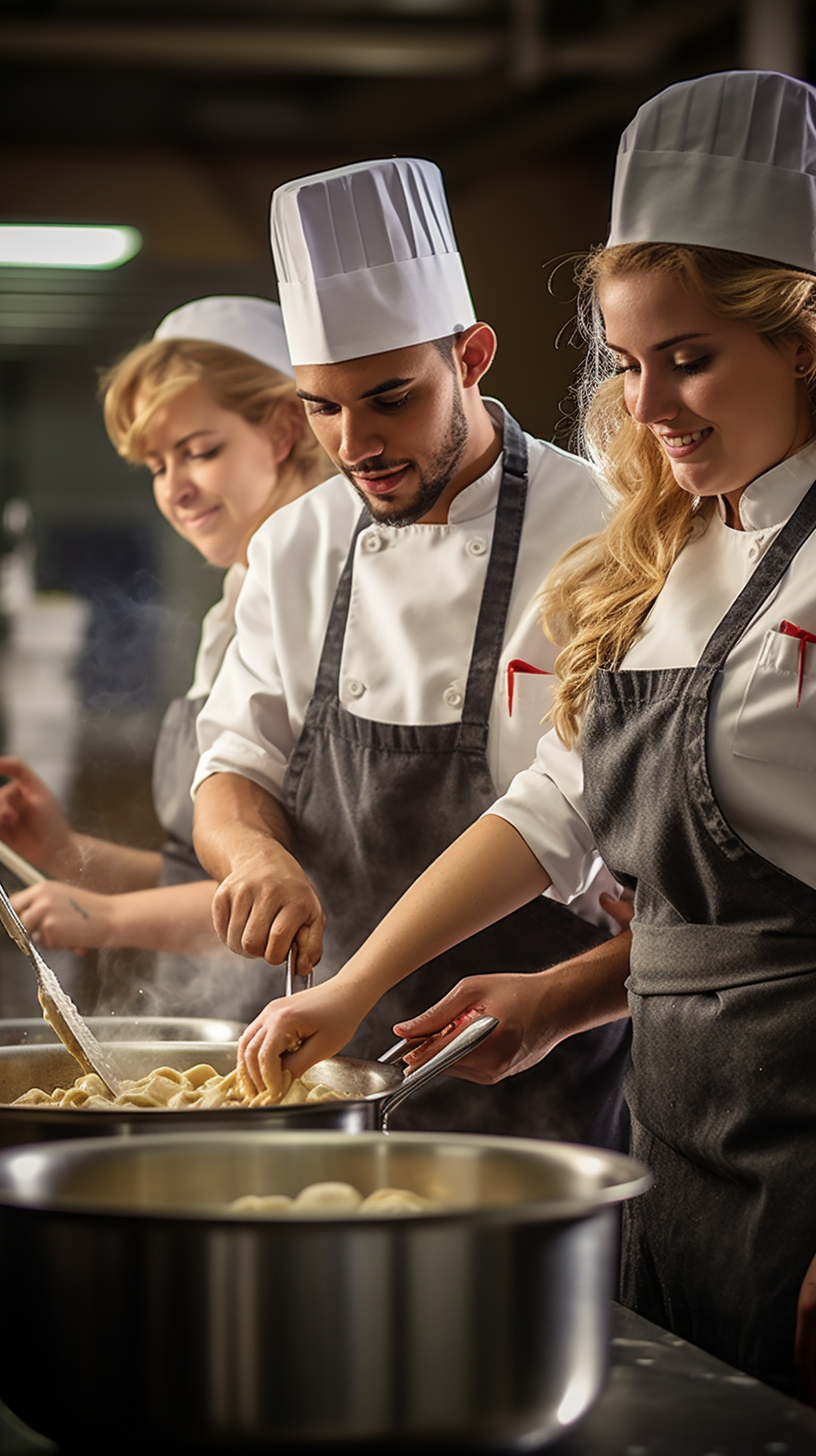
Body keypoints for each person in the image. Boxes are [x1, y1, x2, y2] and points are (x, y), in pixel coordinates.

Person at [231, 73, 816, 1398]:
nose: (653, 407)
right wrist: (507, 993)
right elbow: (558, 807)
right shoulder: (675, 548)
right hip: (677, 1148)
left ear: (805, 339)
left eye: (693, 356)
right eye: (628, 362)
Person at [191, 156, 632, 1142]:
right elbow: (231, 765)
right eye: (322, 407)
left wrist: (357, 983)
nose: (356, 442)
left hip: (536, 1078)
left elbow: (560, 811)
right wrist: (251, 853)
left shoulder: (606, 530)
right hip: (318, 1064)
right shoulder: (297, 543)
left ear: (472, 355)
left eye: (390, 398)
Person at [0, 295, 330, 1019]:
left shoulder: (332, 604)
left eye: (201, 451)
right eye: (156, 464)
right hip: (235, 1019)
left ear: (281, 430)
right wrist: (66, 854)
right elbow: (207, 880)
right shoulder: (231, 610)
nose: (175, 488)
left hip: (314, 1019)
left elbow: (319, 894)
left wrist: (107, 918)